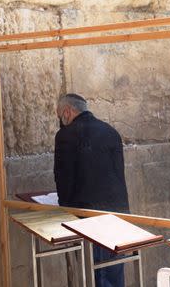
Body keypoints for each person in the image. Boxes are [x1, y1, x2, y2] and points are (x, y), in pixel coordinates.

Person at [54, 93, 129, 287]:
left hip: (88, 216)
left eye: (59, 115)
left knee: (97, 273)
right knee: (114, 270)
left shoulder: (66, 135)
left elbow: (64, 177)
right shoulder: (110, 131)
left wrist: (66, 209)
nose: (60, 121)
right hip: (117, 213)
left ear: (67, 112)